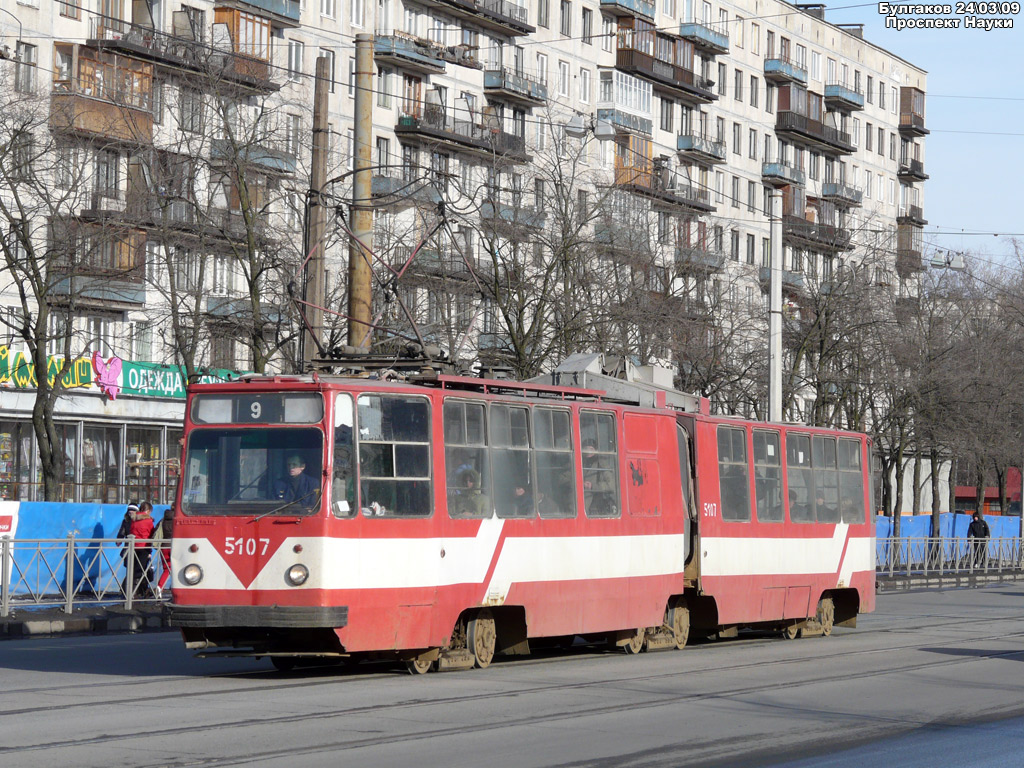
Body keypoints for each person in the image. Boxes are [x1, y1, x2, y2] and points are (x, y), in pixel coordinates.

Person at [122, 502, 155, 598]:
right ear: (148, 511)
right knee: (140, 570)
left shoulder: (134, 519)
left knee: (133, 569)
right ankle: (133, 592)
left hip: (134, 546)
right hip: (144, 547)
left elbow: (131, 531)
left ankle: (130, 591)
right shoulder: (149, 521)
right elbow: (151, 534)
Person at [582, 441, 614, 515]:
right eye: (585, 449)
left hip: (596, 507)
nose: (588, 452)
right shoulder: (578, 462)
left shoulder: (602, 464)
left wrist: (592, 486)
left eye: (591, 449)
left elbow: (611, 485)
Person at [151, 506, 174, 599]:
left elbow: (155, 531)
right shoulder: (178, 520)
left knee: (167, 569)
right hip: (175, 546)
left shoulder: (162, 520)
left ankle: (160, 587)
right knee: (179, 568)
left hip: (164, 546)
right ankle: (176, 589)